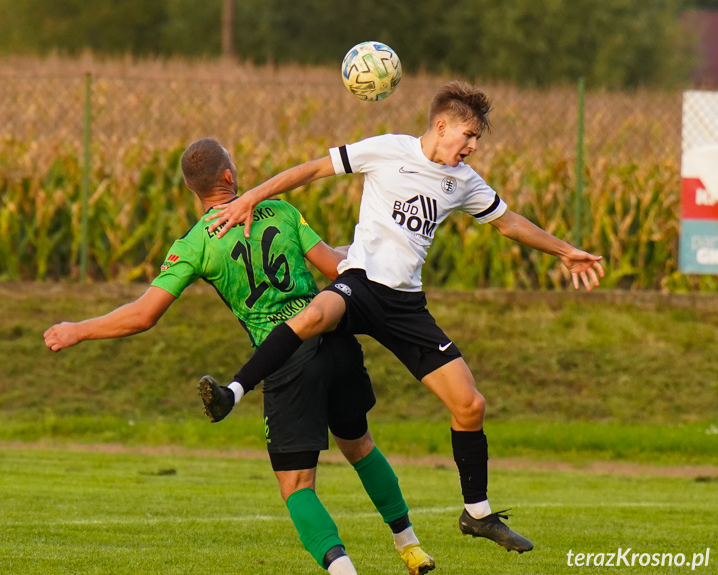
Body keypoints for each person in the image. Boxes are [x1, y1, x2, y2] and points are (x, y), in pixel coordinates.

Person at [200, 81, 605, 554]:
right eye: (468, 135)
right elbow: (311, 170)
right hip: (361, 284)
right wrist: (250, 197)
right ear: (441, 126)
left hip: (405, 305)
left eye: (477, 140)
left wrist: (564, 251)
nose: (472, 147)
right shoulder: (387, 149)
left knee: (470, 405)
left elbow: (507, 221)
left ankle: (477, 514)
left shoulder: (465, 181)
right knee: (314, 315)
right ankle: (232, 391)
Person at [43, 138, 435, 575]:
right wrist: (378, 249)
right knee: (359, 445)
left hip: (283, 356)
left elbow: (143, 315)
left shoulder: (196, 244)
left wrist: (78, 329)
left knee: (296, 485)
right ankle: (410, 546)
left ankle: (344, 572)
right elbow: (335, 268)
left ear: (194, 190)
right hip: (335, 336)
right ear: (229, 176)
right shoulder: (282, 212)